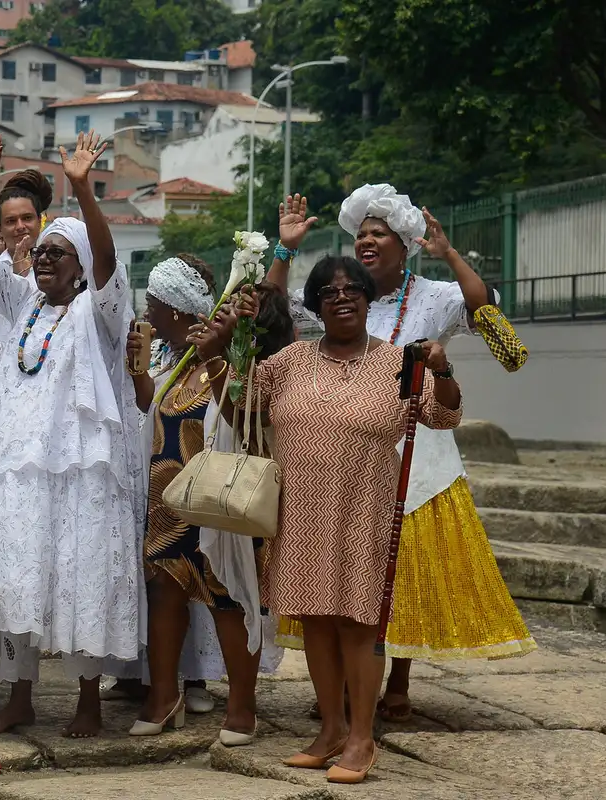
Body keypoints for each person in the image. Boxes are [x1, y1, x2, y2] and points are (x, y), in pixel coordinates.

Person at [192, 255, 464, 783]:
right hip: (302, 511)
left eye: (353, 289)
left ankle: (362, 737)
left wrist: (443, 369)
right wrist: (217, 359)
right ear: (315, 303)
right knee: (316, 622)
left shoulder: (397, 362)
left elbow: (446, 414)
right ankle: (332, 728)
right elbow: (241, 409)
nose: (342, 297)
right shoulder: (290, 360)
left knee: (358, 625)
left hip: (366, 511)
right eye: (330, 291)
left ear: (368, 299)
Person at [268, 187, 535, 721]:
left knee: (404, 573)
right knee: (350, 579)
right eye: (360, 233)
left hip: (421, 454)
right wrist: (284, 250)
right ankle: (346, 688)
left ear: (406, 243)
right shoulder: (337, 296)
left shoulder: (436, 295)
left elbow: (499, 336)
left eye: (379, 233)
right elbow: (271, 321)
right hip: (338, 459)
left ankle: (398, 679)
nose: (366, 240)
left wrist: (451, 255)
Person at [0, 132, 148, 738]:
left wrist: (83, 188)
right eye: (40, 252)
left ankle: (88, 698)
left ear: (82, 265)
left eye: (58, 252)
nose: (43, 258)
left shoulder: (102, 311)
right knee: (16, 575)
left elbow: (108, 258)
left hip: (81, 468)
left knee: (79, 574)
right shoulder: (17, 305)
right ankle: (20, 695)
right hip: (14, 466)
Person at [124, 258, 296, 745]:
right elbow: (153, 409)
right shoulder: (174, 359)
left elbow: (245, 409)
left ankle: (242, 707)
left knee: (228, 595)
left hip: (222, 499)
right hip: (169, 499)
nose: (148, 313)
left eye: (155, 304)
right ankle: (163, 698)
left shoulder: (242, 359)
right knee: (164, 592)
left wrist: (222, 351)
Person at [0, 171, 54, 316]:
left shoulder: (57, 265)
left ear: (39, 220)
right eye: (11, 221)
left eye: (27, 218)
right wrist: (11, 282)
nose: (20, 226)